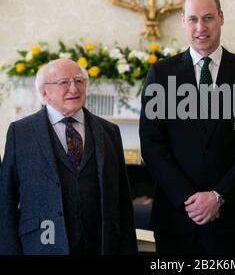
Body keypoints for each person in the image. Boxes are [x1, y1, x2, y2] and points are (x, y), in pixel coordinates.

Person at [139, 0, 235, 254]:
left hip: (229, 214)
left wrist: (217, 196)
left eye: (208, 17)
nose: (201, 27)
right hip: (175, 214)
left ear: (221, 17)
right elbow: (151, 144)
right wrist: (189, 199)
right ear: (183, 22)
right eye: (193, 19)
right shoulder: (161, 74)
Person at [0, 59, 138, 255]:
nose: (74, 88)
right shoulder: (20, 133)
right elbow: (6, 201)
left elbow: (122, 200)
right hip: (42, 245)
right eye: (64, 82)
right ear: (44, 93)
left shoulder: (109, 131)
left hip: (100, 247)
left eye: (79, 81)